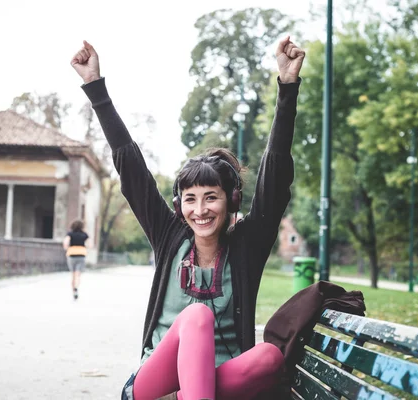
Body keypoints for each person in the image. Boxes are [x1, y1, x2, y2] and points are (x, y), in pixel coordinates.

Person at [71, 37, 305, 400]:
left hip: (218, 381)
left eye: (211, 198)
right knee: (197, 317)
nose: (200, 210)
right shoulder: (170, 236)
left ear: (231, 202)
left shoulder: (246, 246)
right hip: (157, 385)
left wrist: (287, 88)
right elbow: (131, 168)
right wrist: (95, 87)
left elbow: (275, 181)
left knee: (269, 357)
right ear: (180, 204)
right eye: (191, 200)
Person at [62, 219, 89, 300]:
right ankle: (76, 287)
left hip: (71, 254)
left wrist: (67, 248)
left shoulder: (70, 234)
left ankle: (74, 291)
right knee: (78, 274)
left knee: (73, 275)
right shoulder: (84, 234)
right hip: (81, 254)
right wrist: (85, 247)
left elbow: (65, 242)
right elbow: (90, 244)